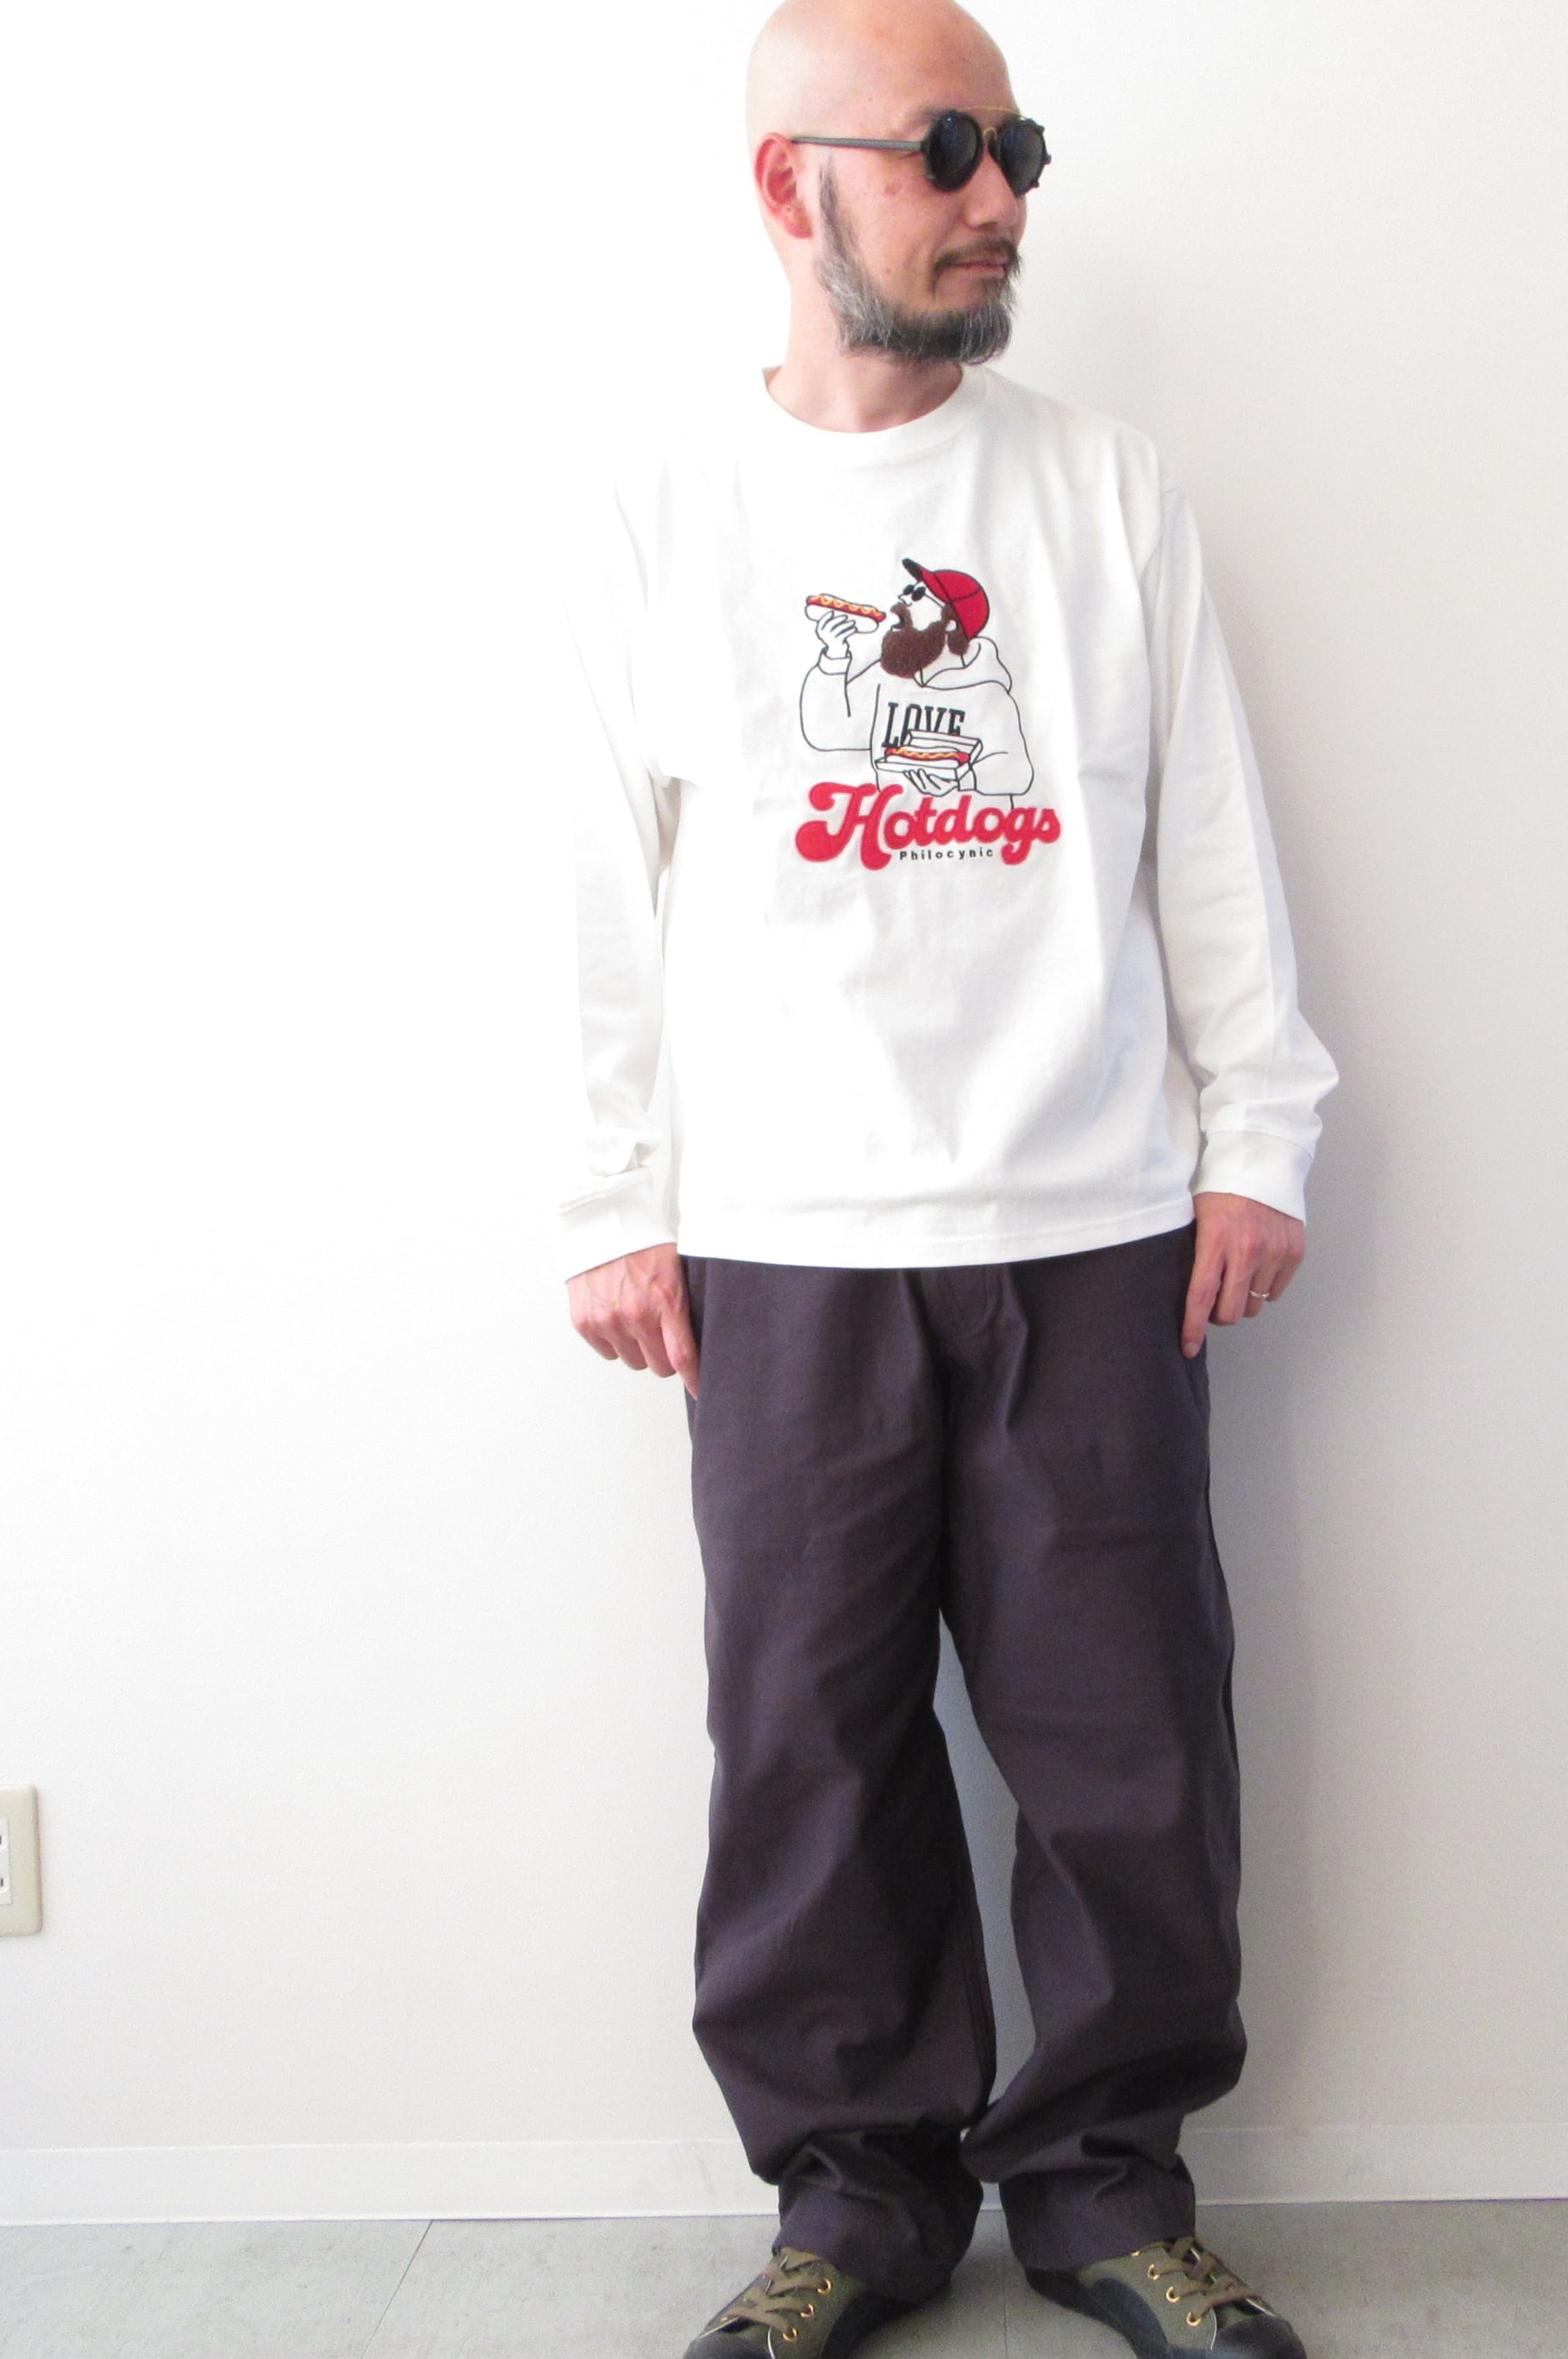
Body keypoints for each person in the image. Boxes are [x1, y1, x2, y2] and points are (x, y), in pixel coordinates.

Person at [556, 3, 1337, 2351]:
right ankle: (855, 2199)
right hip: (782, 1243)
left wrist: (1259, 1129)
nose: (1001, 198)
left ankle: (1104, 2192)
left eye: (1020, 152)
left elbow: (1209, 835)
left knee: (1126, 1736)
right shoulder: (667, 513)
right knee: (808, 1744)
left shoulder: (1106, 492)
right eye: (947, 149)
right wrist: (611, 1196)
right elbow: (601, 891)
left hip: (1093, 1222)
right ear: (787, 186)